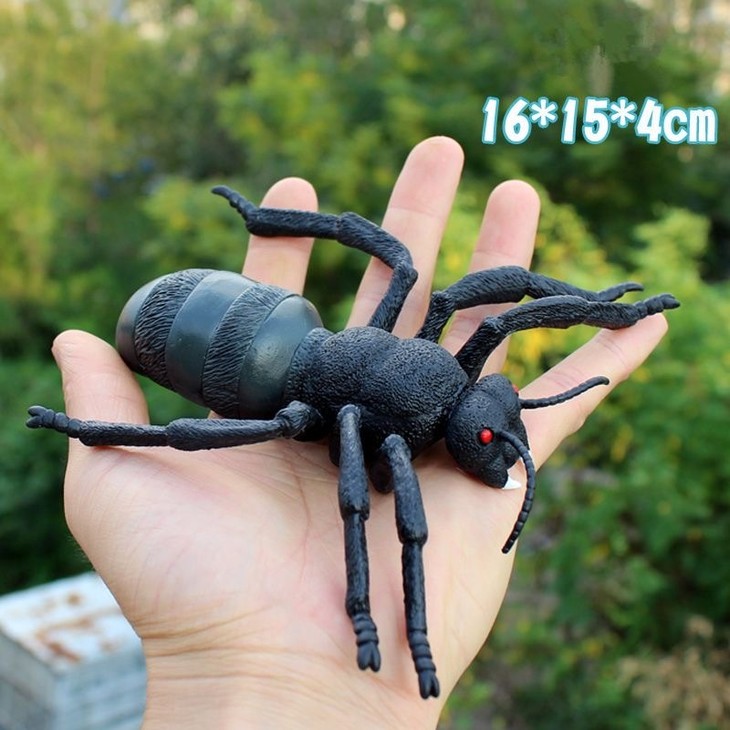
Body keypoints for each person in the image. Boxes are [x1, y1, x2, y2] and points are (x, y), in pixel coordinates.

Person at [52, 137, 669, 729]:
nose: (498, 439)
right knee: (444, 299)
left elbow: (509, 307)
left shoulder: (418, 399)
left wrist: (604, 310)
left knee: (415, 270)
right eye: (490, 436)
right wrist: (89, 429)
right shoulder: (387, 439)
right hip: (225, 346)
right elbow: (367, 497)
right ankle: (384, 621)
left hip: (276, 324)